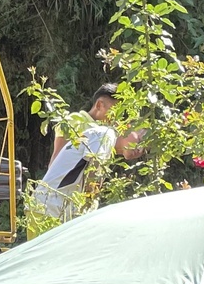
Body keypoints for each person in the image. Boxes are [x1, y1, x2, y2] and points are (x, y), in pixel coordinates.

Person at [36, 85, 143, 220]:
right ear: (99, 105)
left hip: (72, 204)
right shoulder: (77, 121)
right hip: (57, 202)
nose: (118, 120)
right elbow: (57, 160)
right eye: (116, 113)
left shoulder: (107, 133)